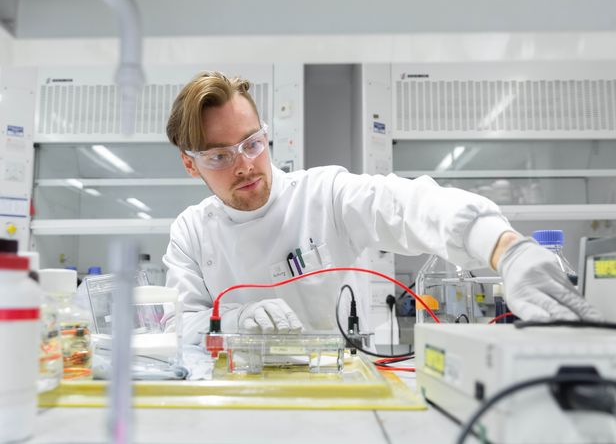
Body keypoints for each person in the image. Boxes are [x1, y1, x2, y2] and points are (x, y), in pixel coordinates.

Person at [162, 70, 600, 345]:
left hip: (337, 390)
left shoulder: (323, 195)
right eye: (220, 156)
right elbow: (178, 327)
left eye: (253, 143)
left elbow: (410, 204)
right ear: (189, 164)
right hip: (233, 400)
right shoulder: (192, 231)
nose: (245, 165)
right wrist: (237, 320)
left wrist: (506, 248)